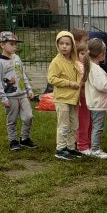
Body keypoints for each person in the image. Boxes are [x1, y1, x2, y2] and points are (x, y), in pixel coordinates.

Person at [0, 30, 36, 151]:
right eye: (11, 44)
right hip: (10, 96)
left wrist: (29, 89)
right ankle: (13, 141)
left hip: (22, 94)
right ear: (2, 45)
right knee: (11, 120)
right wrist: (3, 97)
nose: (15, 46)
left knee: (28, 116)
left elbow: (22, 74)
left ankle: (24, 139)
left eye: (15, 44)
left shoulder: (17, 58)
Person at [47, 30, 84, 161]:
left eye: (67, 44)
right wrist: (70, 83)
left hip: (73, 98)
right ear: (57, 45)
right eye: (61, 43)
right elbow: (51, 79)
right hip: (62, 98)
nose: (64, 46)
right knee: (63, 124)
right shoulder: (56, 62)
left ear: (72, 45)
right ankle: (60, 149)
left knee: (74, 124)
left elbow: (78, 76)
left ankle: (71, 147)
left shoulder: (74, 61)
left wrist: (79, 83)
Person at [83, 37, 107, 159]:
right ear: (101, 54)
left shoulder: (90, 66)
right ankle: (95, 150)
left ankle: (94, 147)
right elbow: (102, 86)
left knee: (95, 126)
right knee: (98, 128)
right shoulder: (96, 69)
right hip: (98, 104)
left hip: (94, 102)